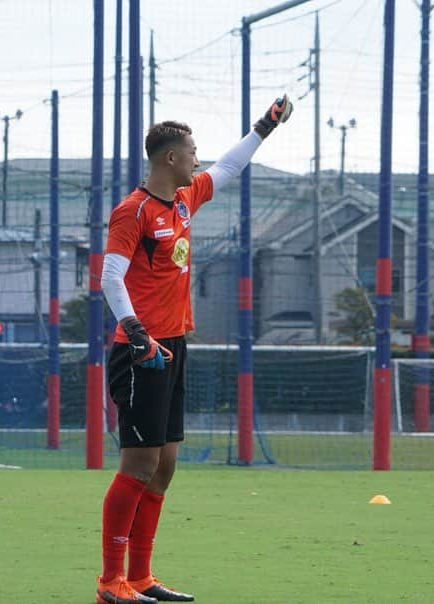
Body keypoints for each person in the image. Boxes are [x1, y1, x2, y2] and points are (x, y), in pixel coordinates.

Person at [95, 95, 294, 604]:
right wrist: (137, 332)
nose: (198, 161)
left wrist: (264, 127)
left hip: (174, 346)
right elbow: (110, 276)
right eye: (191, 153)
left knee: (164, 467)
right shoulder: (132, 211)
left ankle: (140, 578)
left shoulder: (185, 200)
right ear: (169, 159)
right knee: (136, 466)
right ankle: (110, 583)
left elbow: (230, 165)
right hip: (140, 351)